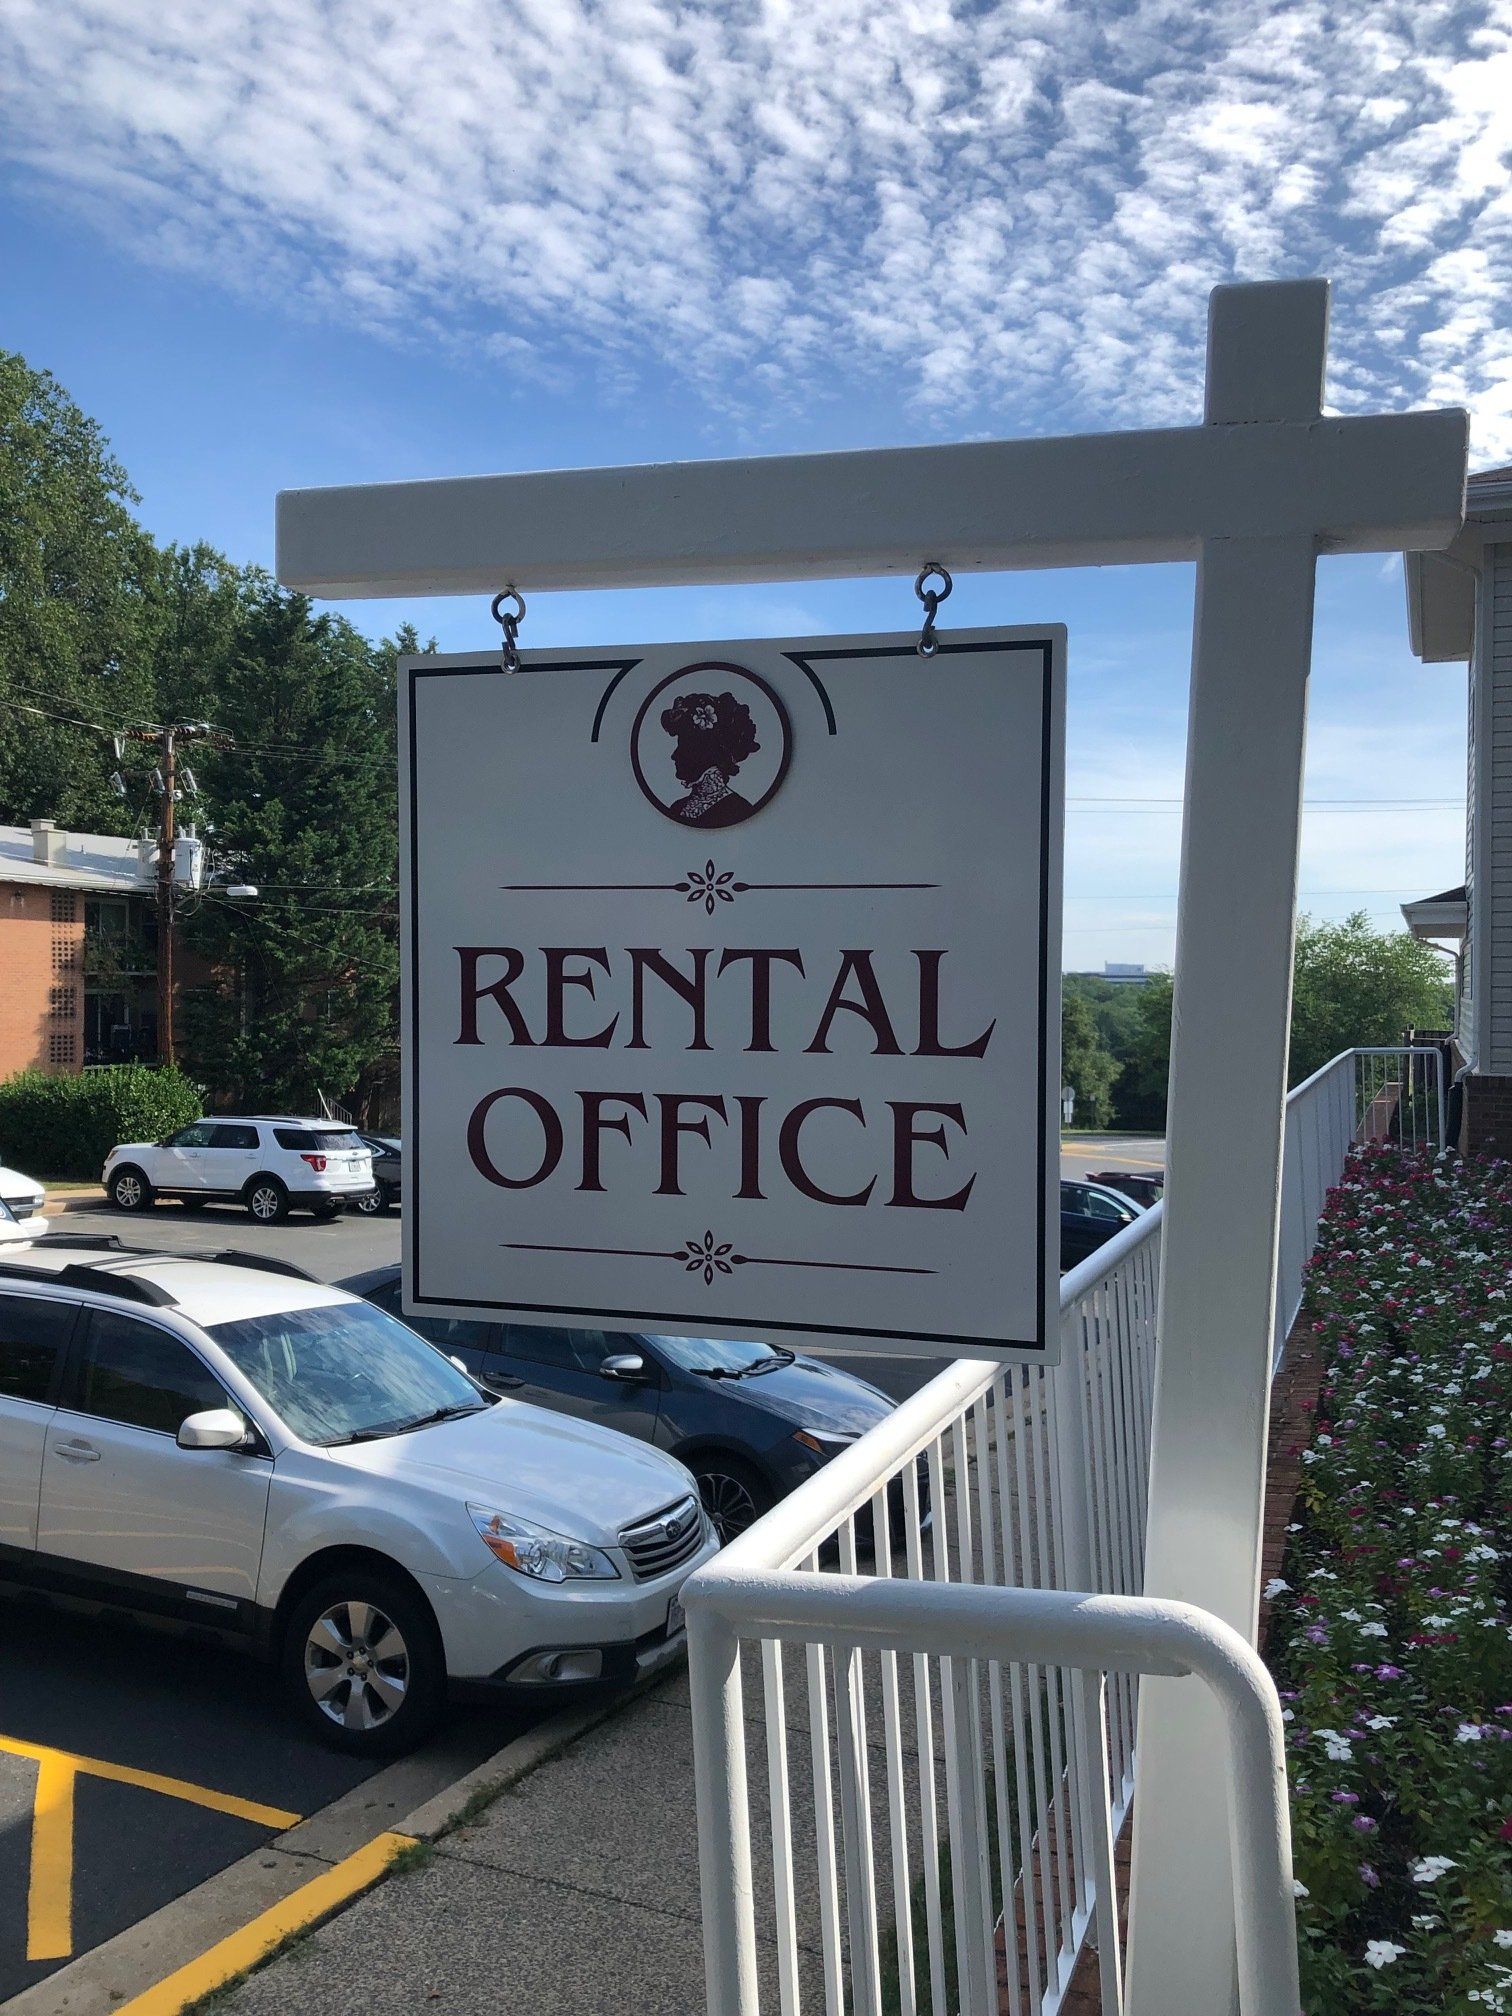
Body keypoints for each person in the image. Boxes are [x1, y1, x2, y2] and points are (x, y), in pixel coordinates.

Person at [660, 690, 760, 826]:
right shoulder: (677, 808)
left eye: (686, 745)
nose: (674, 755)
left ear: (711, 750)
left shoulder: (739, 809)